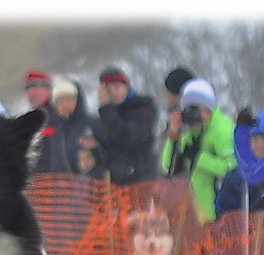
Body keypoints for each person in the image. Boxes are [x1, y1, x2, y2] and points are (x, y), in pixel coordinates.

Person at [160, 78, 235, 223]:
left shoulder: (223, 130)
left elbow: (231, 170)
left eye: (195, 109)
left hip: (218, 213)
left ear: (207, 108)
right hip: (190, 212)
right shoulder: (189, 132)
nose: (192, 114)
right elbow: (167, 165)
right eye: (188, 109)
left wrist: (198, 158)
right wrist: (173, 136)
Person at [93, 66, 159, 186]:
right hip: (115, 183)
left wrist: (106, 109)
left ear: (126, 86)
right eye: (109, 90)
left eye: (117, 87)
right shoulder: (106, 115)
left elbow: (127, 136)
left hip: (141, 180)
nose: (114, 93)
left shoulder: (142, 107)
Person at [38, 78, 95, 174]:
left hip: (85, 182)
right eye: (60, 100)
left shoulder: (89, 124)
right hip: (53, 181)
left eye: (69, 99)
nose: (64, 104)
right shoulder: (48, 126)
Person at [161, 66, 195, 175]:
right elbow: (166, 164)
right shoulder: (173, 118)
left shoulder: (191, 124)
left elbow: (172, 163)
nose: (165, 95)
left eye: (169, 91)